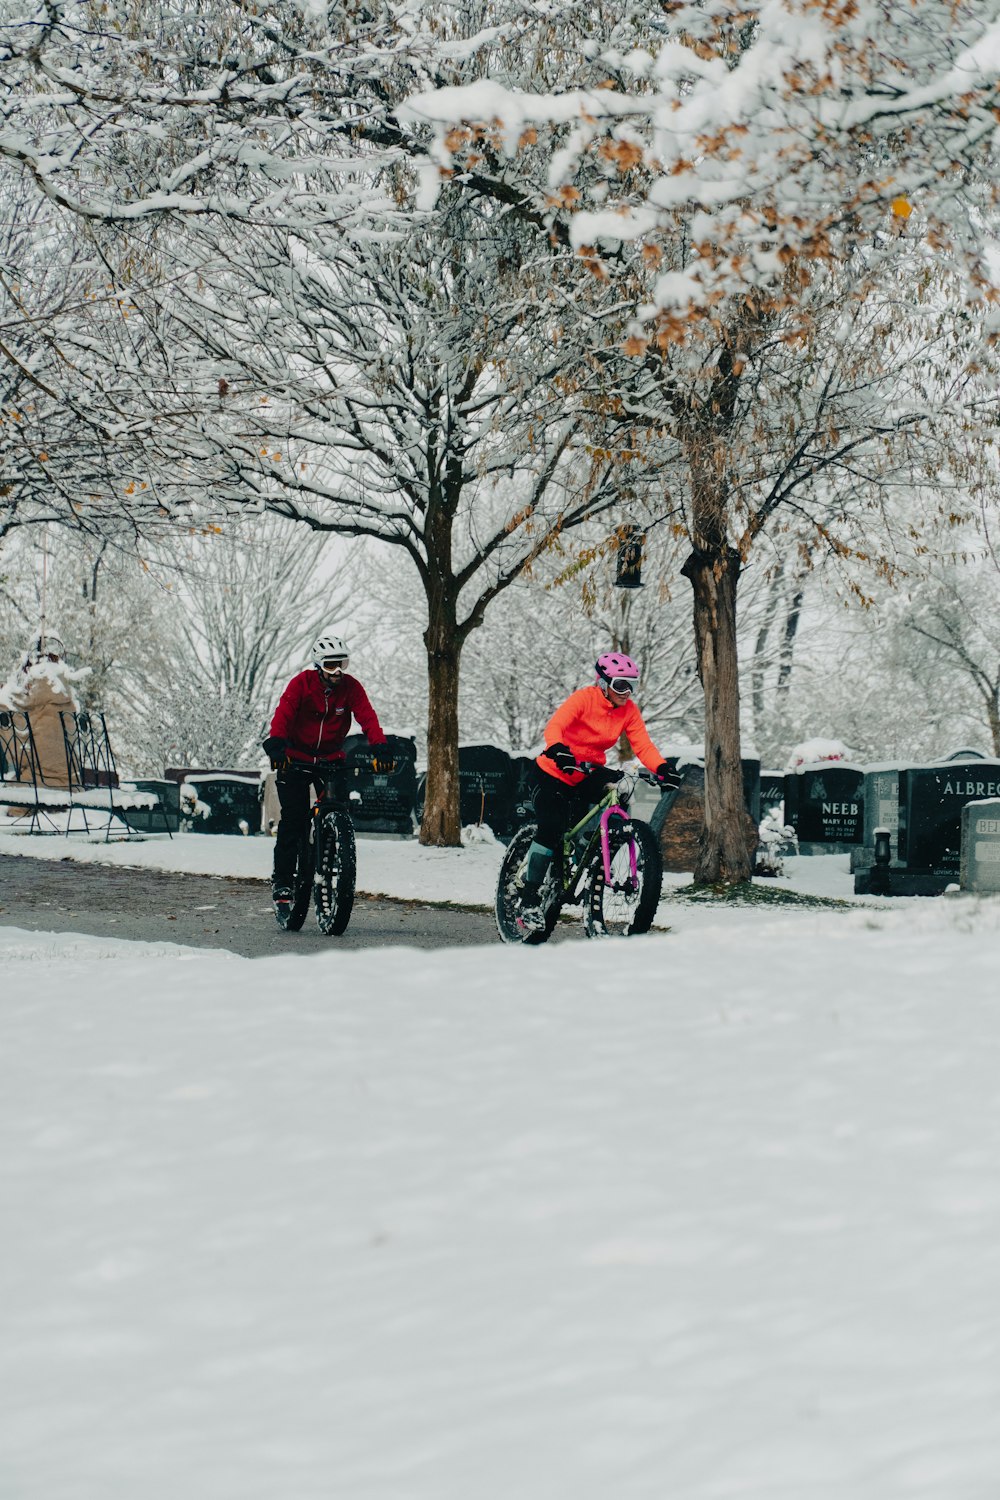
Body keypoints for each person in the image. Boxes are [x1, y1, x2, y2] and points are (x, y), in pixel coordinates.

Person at [517, 650, 680, 934]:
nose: (626, 692)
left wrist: (662, 768)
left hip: (587, 771)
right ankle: (529, 899)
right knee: (552, 827)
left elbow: (643, 745)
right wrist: (558, 748)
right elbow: (556, 726)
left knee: (620, 792)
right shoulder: (584, 699)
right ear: (603, 683)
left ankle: (595, 855)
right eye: (620, 685)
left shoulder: (629, 710)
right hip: (553, 770)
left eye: (632, 685)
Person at [262, 633, 387, 907]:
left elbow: (367, 715)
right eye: (331, 666)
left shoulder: (351, 687)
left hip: (331, 759)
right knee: (293, 820)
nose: (338, 671)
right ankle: (283, 880)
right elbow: (283, 714)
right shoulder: (301, 684)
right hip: (295, 759)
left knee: (338, 810)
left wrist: (380, 747)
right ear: (319, 666)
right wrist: (277, 747)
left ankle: (329, 847)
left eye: (342, 663)